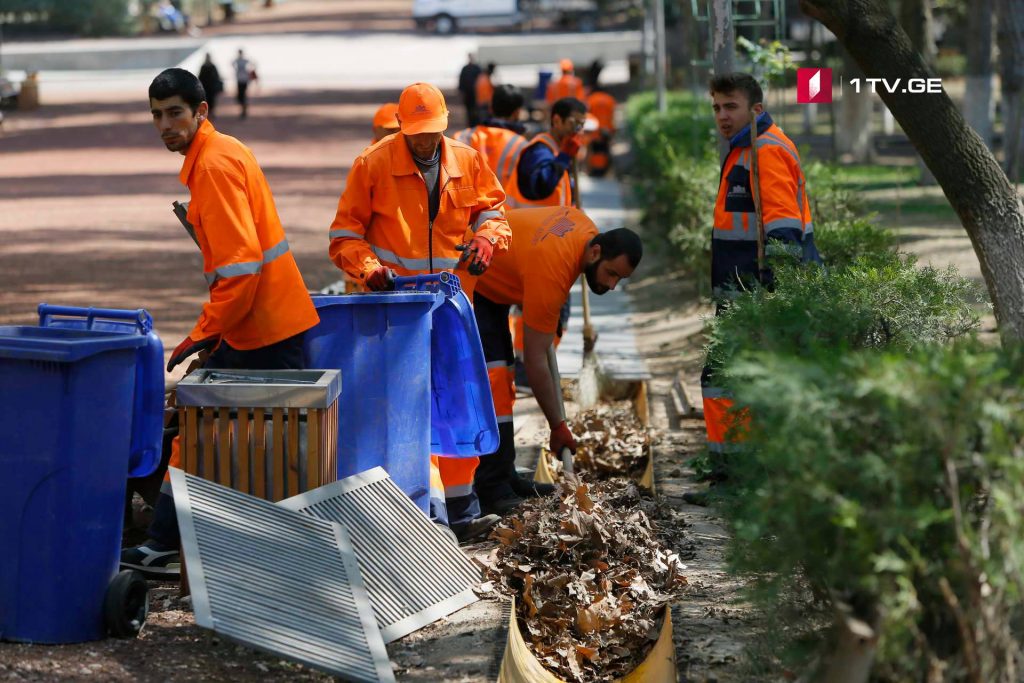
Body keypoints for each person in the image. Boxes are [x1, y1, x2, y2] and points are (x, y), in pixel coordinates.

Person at [121, 68, 319, 578]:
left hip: (262, 326)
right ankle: (177, 538)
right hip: (265, 323)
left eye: (174, 114)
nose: (164, 125)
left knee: (210, 431)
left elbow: (239, 270)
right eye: (156, 116)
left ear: (200, 112)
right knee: (220, 433)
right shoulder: (221, 153)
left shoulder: (211, 166)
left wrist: (200, 335)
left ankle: (170, 543)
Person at [327, 82, 511, 542]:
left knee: (455, 404)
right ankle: (424, 516)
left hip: (450, 308)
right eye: (417, 133)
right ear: (403, 128)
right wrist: (368, 268)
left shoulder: (466, 161)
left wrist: (488, 239)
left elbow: (493, 211)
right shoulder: (372, 165)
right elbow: (344, 235)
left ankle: (463, 510)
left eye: (433, 131)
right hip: (395, 312)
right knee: (407, 413)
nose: (426, 140)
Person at [473, 207, 642, 514]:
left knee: (502, 379)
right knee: (494, 382)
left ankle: (505, 475)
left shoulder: (585, 227)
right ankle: (491, 487)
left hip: (497, 282)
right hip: (473, 281)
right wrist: (558, 426)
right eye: (612, 274)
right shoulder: (553, 270)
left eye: (621, 279)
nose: (613, 285)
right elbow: (536, 361)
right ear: (595, 252)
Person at [699, 72, 822, 492]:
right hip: (746, 291)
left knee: (723, 377)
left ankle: (737, 478)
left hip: (757, 292)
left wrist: (777, 293)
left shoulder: (764, 150)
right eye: (716, 107)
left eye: (730, 106)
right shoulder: (746, 149)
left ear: (756, 108)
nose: (722, 115)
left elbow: (784, 229)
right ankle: (742, 475)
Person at [512, 97, 587, 208]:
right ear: (557, 120)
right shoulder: (539, 150)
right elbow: (542, 186)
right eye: (573, 123)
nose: (578, 130)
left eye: (581, 125)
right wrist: (564, 156)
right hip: (532, 223)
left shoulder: (558, 151)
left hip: (552, 224)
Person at [457, 53, 483, 127]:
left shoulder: (477, 68)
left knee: (476, 110)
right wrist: (461, 91)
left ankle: (476, 124)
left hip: (476, 94)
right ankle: (471, 124)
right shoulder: (465, 68)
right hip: (468, 94)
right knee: (469, 110)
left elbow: (480, 80)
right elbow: (461, 80)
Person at [196, 53, 223, 119]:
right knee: (206, 100)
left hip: (211, 87)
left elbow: (217, 76)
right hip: (206, 87)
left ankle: (211, 112)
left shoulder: (212, 66)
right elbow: (200, 77)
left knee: (212, 100)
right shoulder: (203, 66)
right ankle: (208, 113)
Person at [232, 48, 256, 119]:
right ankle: (244, 106)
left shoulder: (244, 60)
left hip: (245, 80)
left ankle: (244, 109)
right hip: (239, 79)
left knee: (242, 94)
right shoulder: (237, 60)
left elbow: (253, 63)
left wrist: (250, 72)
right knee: (240, 95)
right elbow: (232, 64)